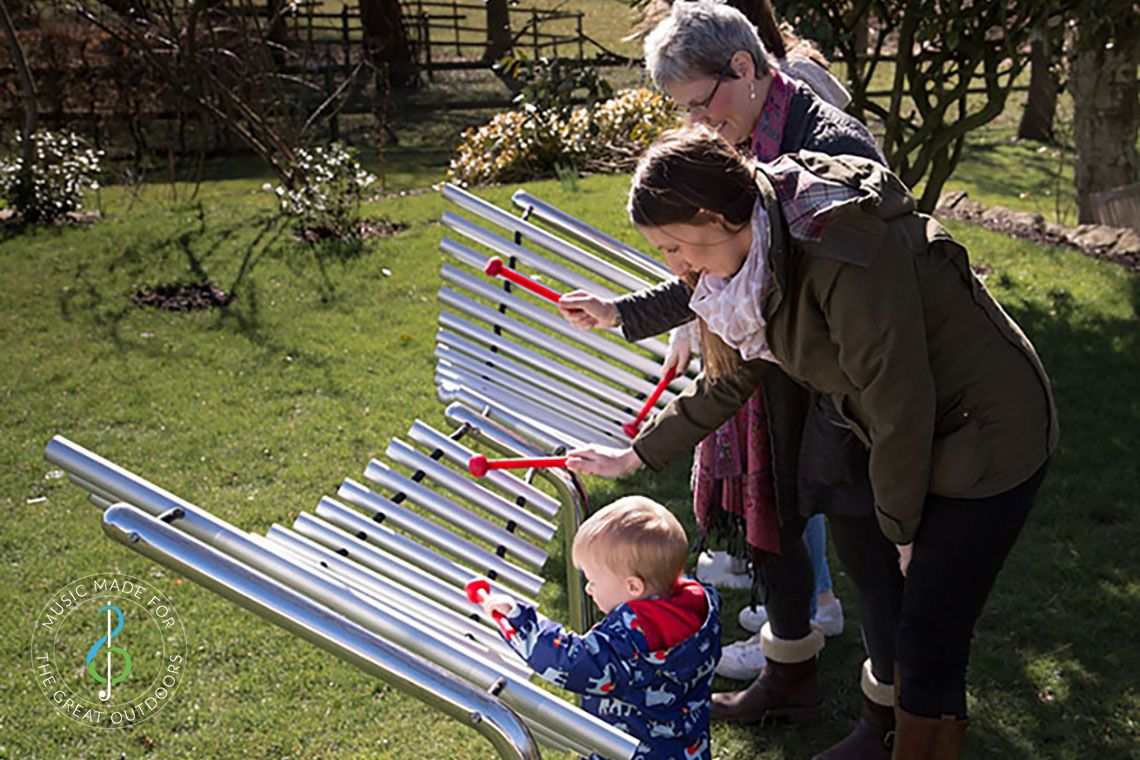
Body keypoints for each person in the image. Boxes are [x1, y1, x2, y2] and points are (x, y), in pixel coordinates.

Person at [569, 125, 1058, 759]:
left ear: (716, 215)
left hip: (987, 434)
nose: (678, 268)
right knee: (917, 626)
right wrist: (634, 455)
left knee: (930, 634)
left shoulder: (837, 250)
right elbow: (732, 379)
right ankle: (886, 733)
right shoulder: (749, 260)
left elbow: (897, 401)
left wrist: (903, 530)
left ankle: (908, 741)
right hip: (919, 430)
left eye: (676, 246)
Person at [558, 2, 891, 752]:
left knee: (867, 546)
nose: (699, 126)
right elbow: (715, 263)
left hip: (843, 386)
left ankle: (890, 712)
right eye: (683, 113)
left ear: (744, 68)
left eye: (701, 105)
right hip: (770, 379)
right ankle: (791, 674)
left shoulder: (831, 144)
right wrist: (625, 312)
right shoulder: (736, 139)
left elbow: (859, 298)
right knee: (770, 533)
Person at [480, 496, 723, 760]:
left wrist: (520, 622)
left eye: (593, 580)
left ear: (633, 587)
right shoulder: (697, 612)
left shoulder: (627, 640)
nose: (588, 588)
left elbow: (571, 662)